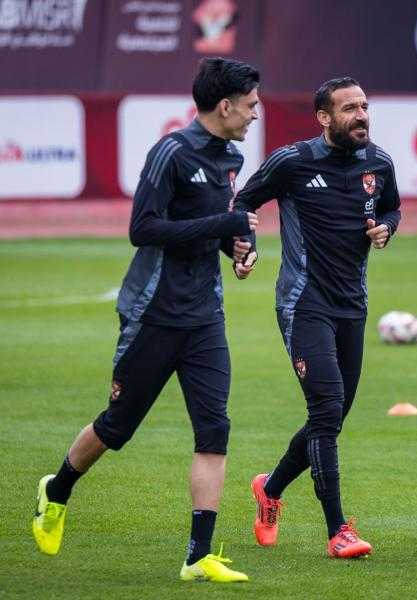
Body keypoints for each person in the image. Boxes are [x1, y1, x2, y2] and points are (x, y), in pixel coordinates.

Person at [31, 57, 261, 583]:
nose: (256, 114)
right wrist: (222, 223)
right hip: (153, 312)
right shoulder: (171, 153)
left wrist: (235, 248)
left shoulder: (232, 157)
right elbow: (144, 229)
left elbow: (211, 227)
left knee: (214, 428)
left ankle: (197, 557)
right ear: (225, 106)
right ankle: (57, 489)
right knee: (118, 426)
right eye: (250, 105)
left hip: (205, 315)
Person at [233, 77, 401, 558]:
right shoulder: (293, 162)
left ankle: (270, 489)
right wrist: (243, 245)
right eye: (349, 109)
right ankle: (338, 530)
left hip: (353, 305)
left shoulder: (379, 163)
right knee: (327, 410)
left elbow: (392, 208)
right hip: (304, 303)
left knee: (333, 415)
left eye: (364, 106)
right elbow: (244, 201)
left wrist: (386, 228)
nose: (361, 115)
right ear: (324, 118)